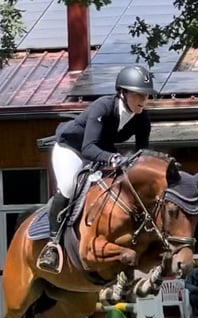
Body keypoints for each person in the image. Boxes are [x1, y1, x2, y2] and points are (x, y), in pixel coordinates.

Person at [37, 65, 156, 273]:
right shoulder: (102, 106)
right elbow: (88, 147)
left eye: (146, 96)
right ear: (123, 93)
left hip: (101, 150)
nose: (143, 101)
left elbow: (141, 154)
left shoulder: (142, 119)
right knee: (68, 186)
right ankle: (53, 244)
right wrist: (114, 158)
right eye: (138, 95)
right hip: (72, 148)